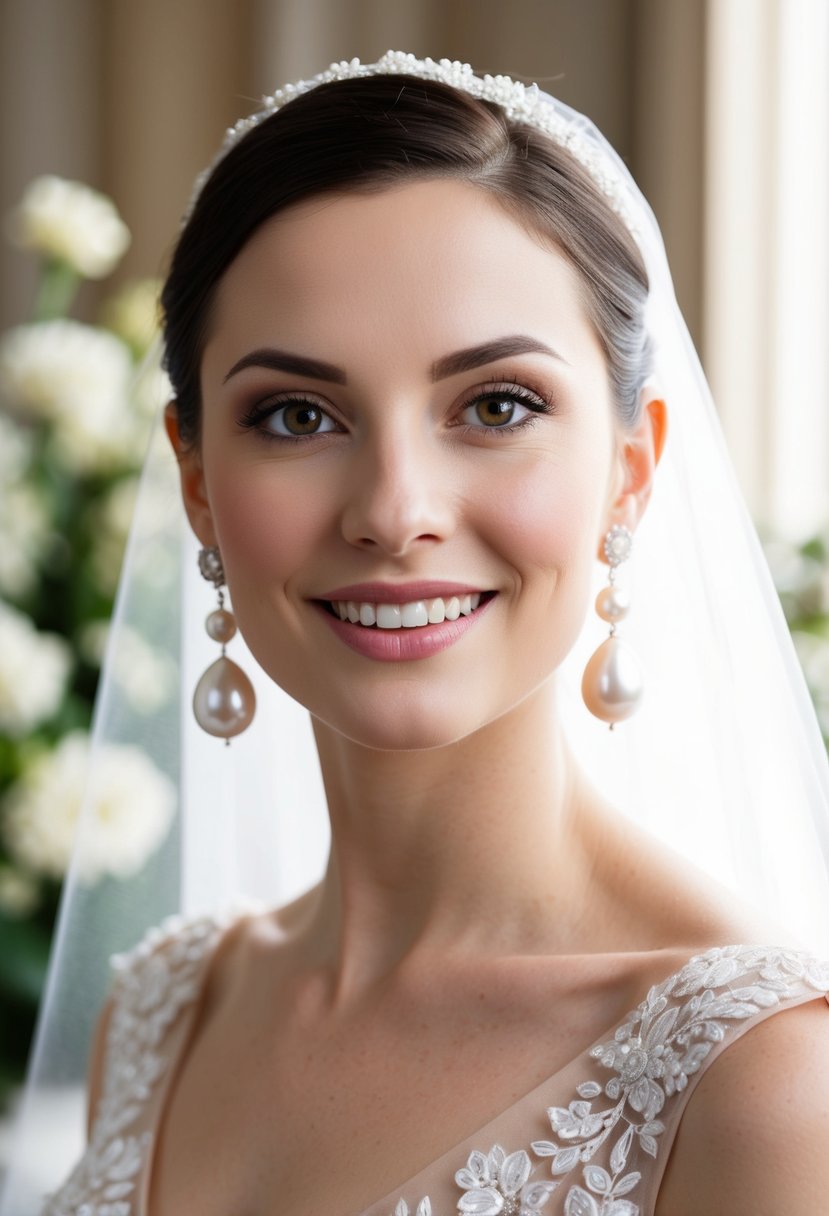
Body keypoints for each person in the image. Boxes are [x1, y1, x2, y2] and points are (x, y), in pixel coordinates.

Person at [3, 52, 829, 1216]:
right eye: (297, 415)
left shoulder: (763, 1086)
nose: (394, 510)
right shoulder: (162, 1013)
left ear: (629, 472)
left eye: (496, 406)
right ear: (195, 483)